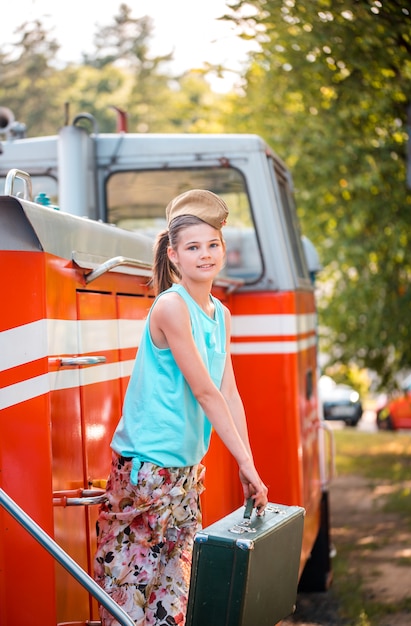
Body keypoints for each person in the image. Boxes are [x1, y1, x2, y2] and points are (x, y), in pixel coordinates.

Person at [94, 189, 268, 626]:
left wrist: (249, 463)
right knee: (131, 592)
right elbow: (205, 393)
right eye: (193, 247)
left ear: (224, 250)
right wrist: (245, 465)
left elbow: (229, 392)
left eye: (213, 245)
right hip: (148, 470)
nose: (205, 255)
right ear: (174, 255)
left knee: (173, 592)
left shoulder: (220, 314)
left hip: (186, 472)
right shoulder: (172, 306)